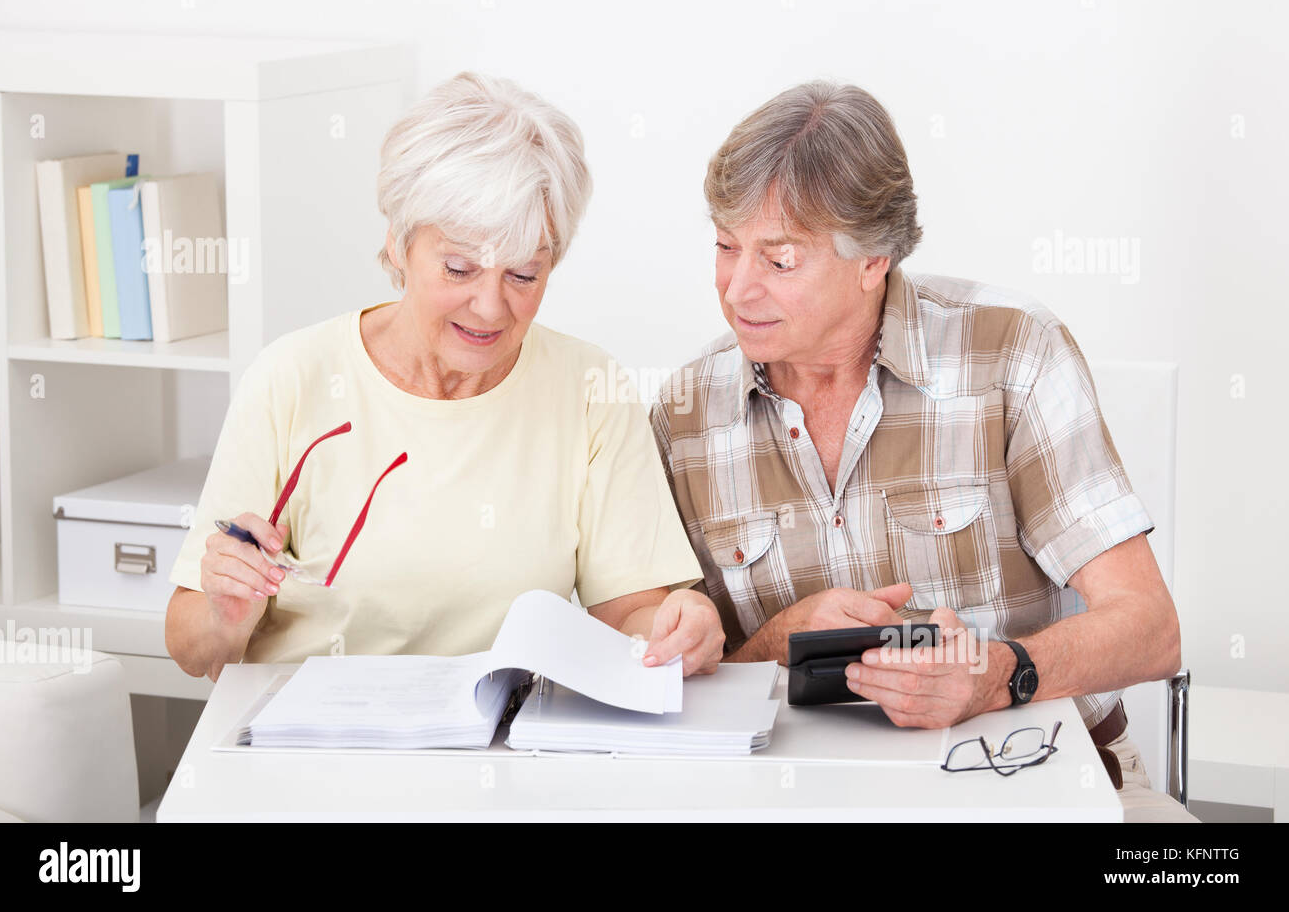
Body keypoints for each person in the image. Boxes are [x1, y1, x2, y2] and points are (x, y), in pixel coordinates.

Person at [650, 80, 1194, 821]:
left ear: (873, 258)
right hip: (794, 801)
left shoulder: (1014, 355)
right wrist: (776, 641)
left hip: (1040, 776)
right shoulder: (685, 413)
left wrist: (998, 674)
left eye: (779, 260)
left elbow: (1151, 628)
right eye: (724, 246)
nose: (737, 289)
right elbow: (678, 680)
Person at [166, 72, 723, 682]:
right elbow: (194, 653)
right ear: (399, 245)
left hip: (495, 748)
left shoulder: (589, 386)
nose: (489, 307)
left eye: (524, 275)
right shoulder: (292, 378)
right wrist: (226, 612)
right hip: (309, 747)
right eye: (459, 269)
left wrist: (678, 623)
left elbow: (630, 613)